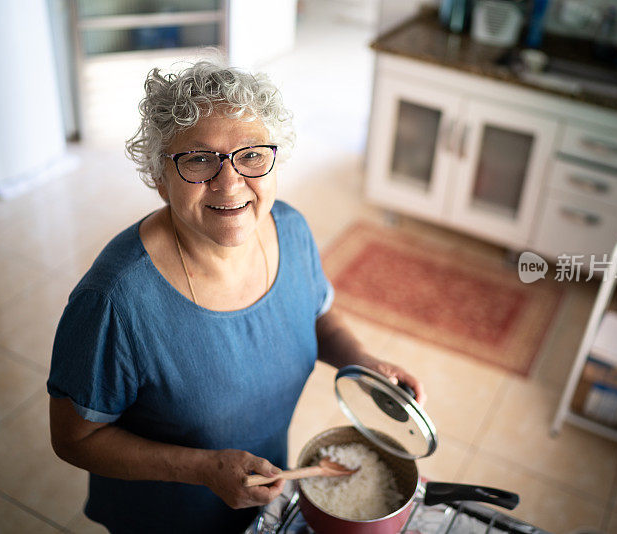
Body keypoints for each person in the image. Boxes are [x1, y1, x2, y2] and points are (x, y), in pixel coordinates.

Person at [47, 56, 426, 534]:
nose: (229, 183)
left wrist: (363, 362)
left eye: (250, 155)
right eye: (199, 159)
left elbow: (314, 314)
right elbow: (74, 437)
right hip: (166, 519)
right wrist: (202, 470)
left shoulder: (289, 229)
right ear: (159, 178)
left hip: (260, 500)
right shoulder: (115, 301)